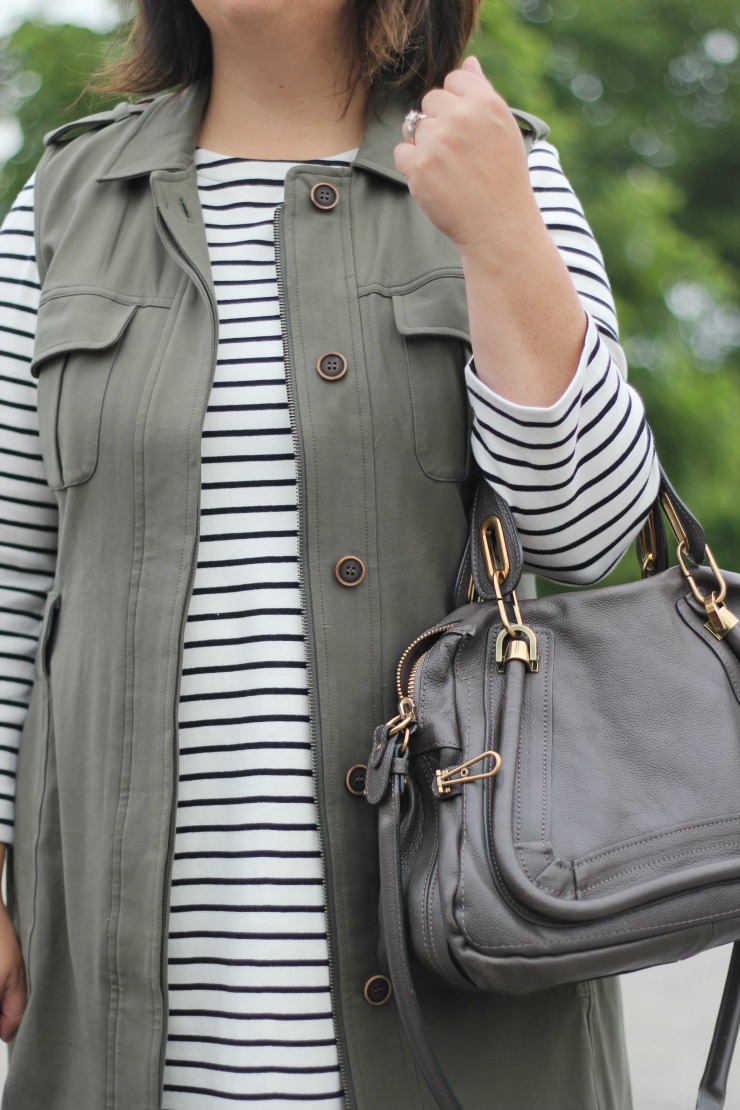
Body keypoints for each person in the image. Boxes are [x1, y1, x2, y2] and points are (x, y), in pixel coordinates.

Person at [0, 1, 659, 1107]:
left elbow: (590, 536)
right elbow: (14, 576)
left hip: (458, 1010)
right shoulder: (61, 208)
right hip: (121, 1018)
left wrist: (498, 233)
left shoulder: (503, 168)